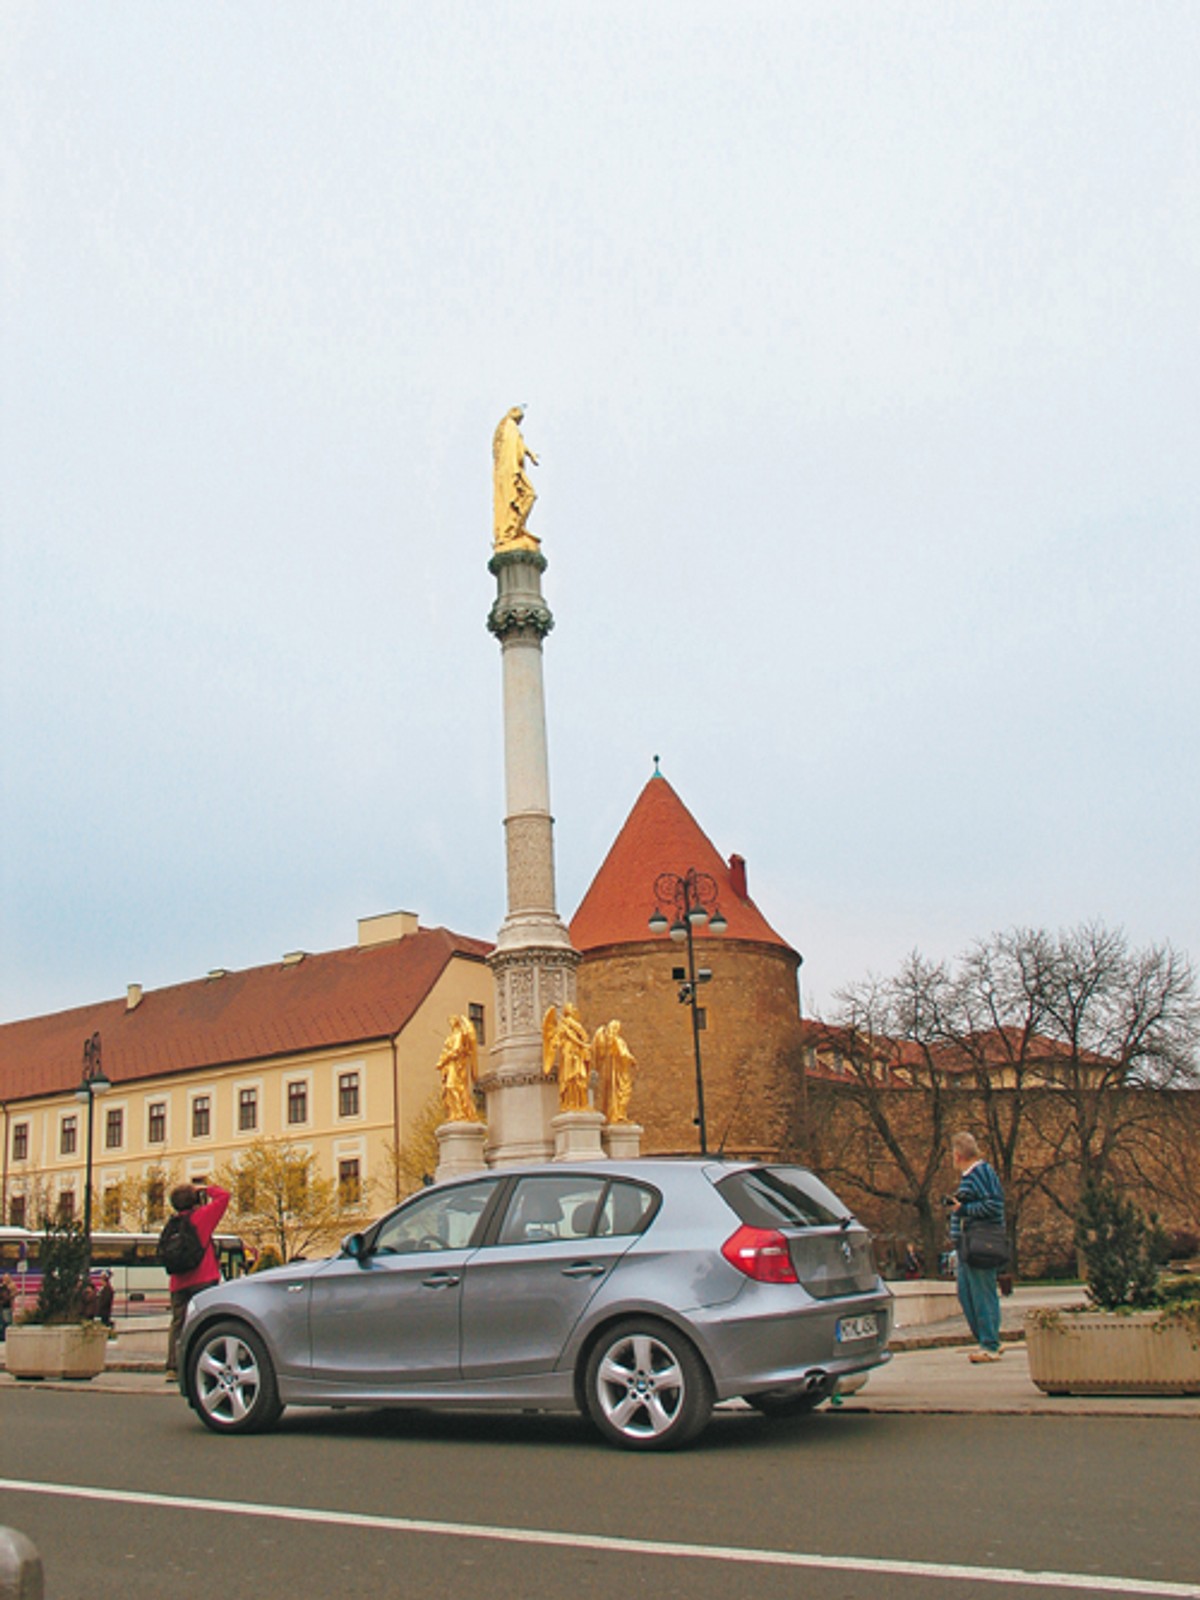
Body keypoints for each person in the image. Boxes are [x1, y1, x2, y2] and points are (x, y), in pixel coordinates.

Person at [948, 1131, 1006, 1363]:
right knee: (967, 1293)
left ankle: (989, 1343)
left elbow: (994, 1205)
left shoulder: (980, 1173)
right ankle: (987, 1339)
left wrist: (963, 1210)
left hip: (979, 1242)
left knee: (981, 1292)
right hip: (967, 1243)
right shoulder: (972, 1175)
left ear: (958, 1154)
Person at [165, 1182, 230, 1381]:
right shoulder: (201, 1218)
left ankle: (173, 1368)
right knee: (207, 1323)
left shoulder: (172, 1225)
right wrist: (205, 1188)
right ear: (194, 1200)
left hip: (178, 1283)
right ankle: (208, 1362)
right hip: (203, 1279)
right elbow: (224, 1196)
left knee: (178, 1324)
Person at [0, 1274, 14, 1341]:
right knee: (5, 1323)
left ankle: (5, 1336)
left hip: (6, 1307)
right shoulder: (3, 1288)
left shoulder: (9, 1287)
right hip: (4, 1307)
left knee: (6, 1322)